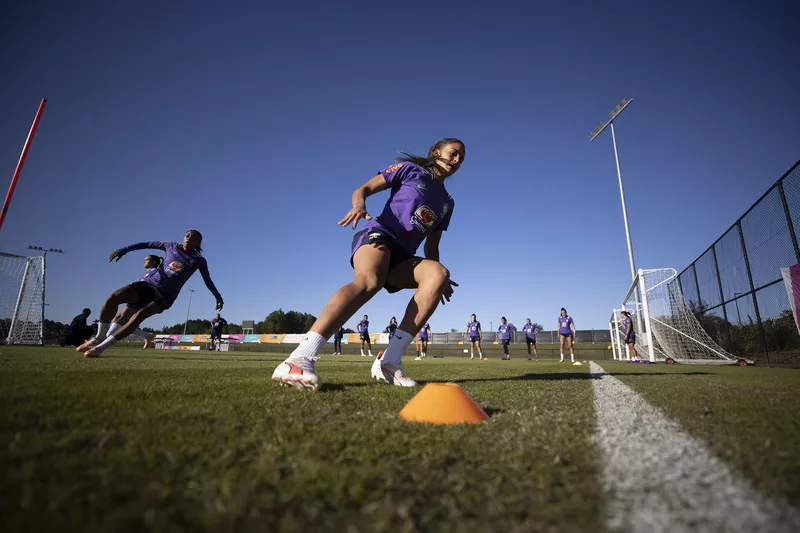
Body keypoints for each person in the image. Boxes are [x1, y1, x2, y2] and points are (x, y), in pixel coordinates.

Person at [271, 138, 464, 390]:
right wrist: (359, 206)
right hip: (379, 234)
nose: (457, 160)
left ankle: (389, 362)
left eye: (461, 158)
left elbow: (431, 246)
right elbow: (362, 189)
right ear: (437, 152)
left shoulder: (447, 203)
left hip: (403, 257)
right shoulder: (410, 169)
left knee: (438, 275)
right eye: (453, 153)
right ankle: (297, 359)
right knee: (369, 281)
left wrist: (441, 283)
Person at [77, 230, 223, 357]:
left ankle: (100, 348)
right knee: (114, 297)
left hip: (166, 295)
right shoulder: (170, 246)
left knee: (138, 316)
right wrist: (125, 249)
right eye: (186, 235)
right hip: (149, 285)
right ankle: (100, 336)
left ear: (199, 242)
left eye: (193, 236)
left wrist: (217, 296)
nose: (188, 238)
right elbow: (146, 244)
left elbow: (207, 279)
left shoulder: (199, 260)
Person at [107, 254, 164, 349]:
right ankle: (147, 335)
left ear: (154, 262)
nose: (144, 261)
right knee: (124, 320)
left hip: (143, 298)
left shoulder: (157, 271)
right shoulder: (146, 273)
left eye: (147, 259)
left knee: (121, 318)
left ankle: (103, 339)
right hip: (138, 297)